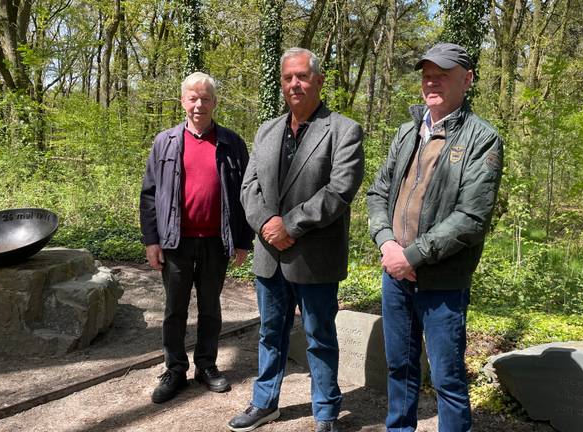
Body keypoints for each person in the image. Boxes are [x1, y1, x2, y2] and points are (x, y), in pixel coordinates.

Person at [366, 43, 504, 432]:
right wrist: (387, 243)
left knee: (447, 378)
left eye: (442, 74)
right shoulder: (408, 132)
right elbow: (378, 193)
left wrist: (413, 256)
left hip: (442, 281)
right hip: (395, 274)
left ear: (467, 79)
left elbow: (471, 217)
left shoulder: (483, 139)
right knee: (400, 366)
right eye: (427, 74)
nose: (432, 81)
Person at [228, 47, 365, 432]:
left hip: (315, 258)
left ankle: (325, 413)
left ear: (318, 81)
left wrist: (289, 225)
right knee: (270, 333)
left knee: (320, 337)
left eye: (302, 76)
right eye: (288, 77)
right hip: (269, 254)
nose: (294, 84)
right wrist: (267, 225)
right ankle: (264, 402)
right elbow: (248, 186)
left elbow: (339, 191)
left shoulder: (344, 130)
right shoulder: (266, 130)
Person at [140, 72, 253, 404]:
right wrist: (151, 239)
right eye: (193, 97)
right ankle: (175, 369)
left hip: (216, 241)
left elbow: (247, 194)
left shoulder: (232, 143)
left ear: (215, 102)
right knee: (174, 310)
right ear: (183, 101)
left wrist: (244, 240)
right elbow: (149, 194)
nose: (199, 104)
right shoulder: (165, 141)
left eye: (205, 98)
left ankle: (206, 366)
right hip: (175, 241)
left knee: (210, 308)